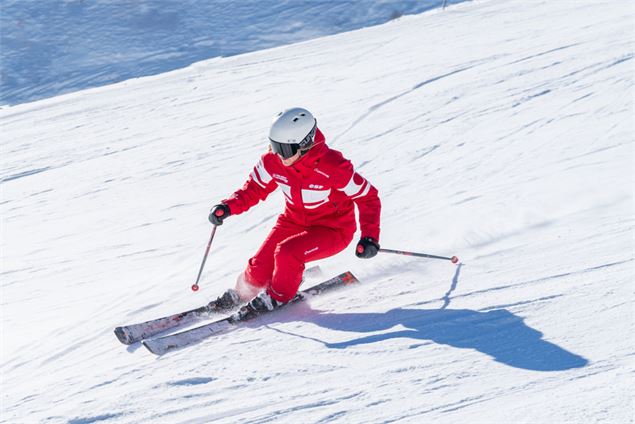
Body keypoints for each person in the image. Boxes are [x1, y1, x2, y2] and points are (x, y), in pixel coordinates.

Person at [209, 107, 381, 315]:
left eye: (285, 149)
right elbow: (254, 189)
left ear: (305, 143)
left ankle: (277, 297)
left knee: (288, 253)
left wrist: (370, 237)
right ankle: (242, 294)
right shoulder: (272, 161)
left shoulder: (333, 166)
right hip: (293, 222)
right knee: (257, 271)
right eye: (275, 146)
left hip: (333, 230)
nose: (279, 155)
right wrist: (228, 207)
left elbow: (367, 197)